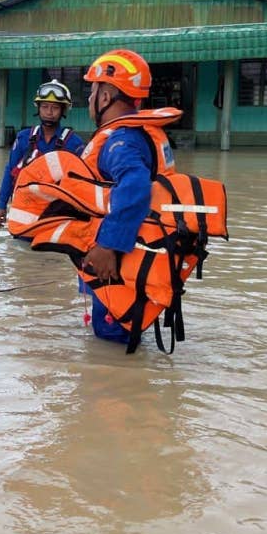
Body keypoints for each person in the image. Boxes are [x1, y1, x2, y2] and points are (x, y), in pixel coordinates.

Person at [80, 49, 175, 343]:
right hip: (140, 255)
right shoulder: (139, 134)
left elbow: (135, 186)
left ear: (106, 97)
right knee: (122, 335)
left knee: (111, 339)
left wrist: (108, 245)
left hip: (120, 262)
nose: (89, 99)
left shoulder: (119, 141)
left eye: (92, 91)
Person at [0, 80, 86, 227]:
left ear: (63, 110)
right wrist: (1, 206)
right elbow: (10, 172)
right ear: (38, 108)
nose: (49, 112)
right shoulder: (23, 138)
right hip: (25, 211)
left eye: (55, 108)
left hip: (57, 215)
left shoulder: (75, 143)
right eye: (45, 107)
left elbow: (84, 183)